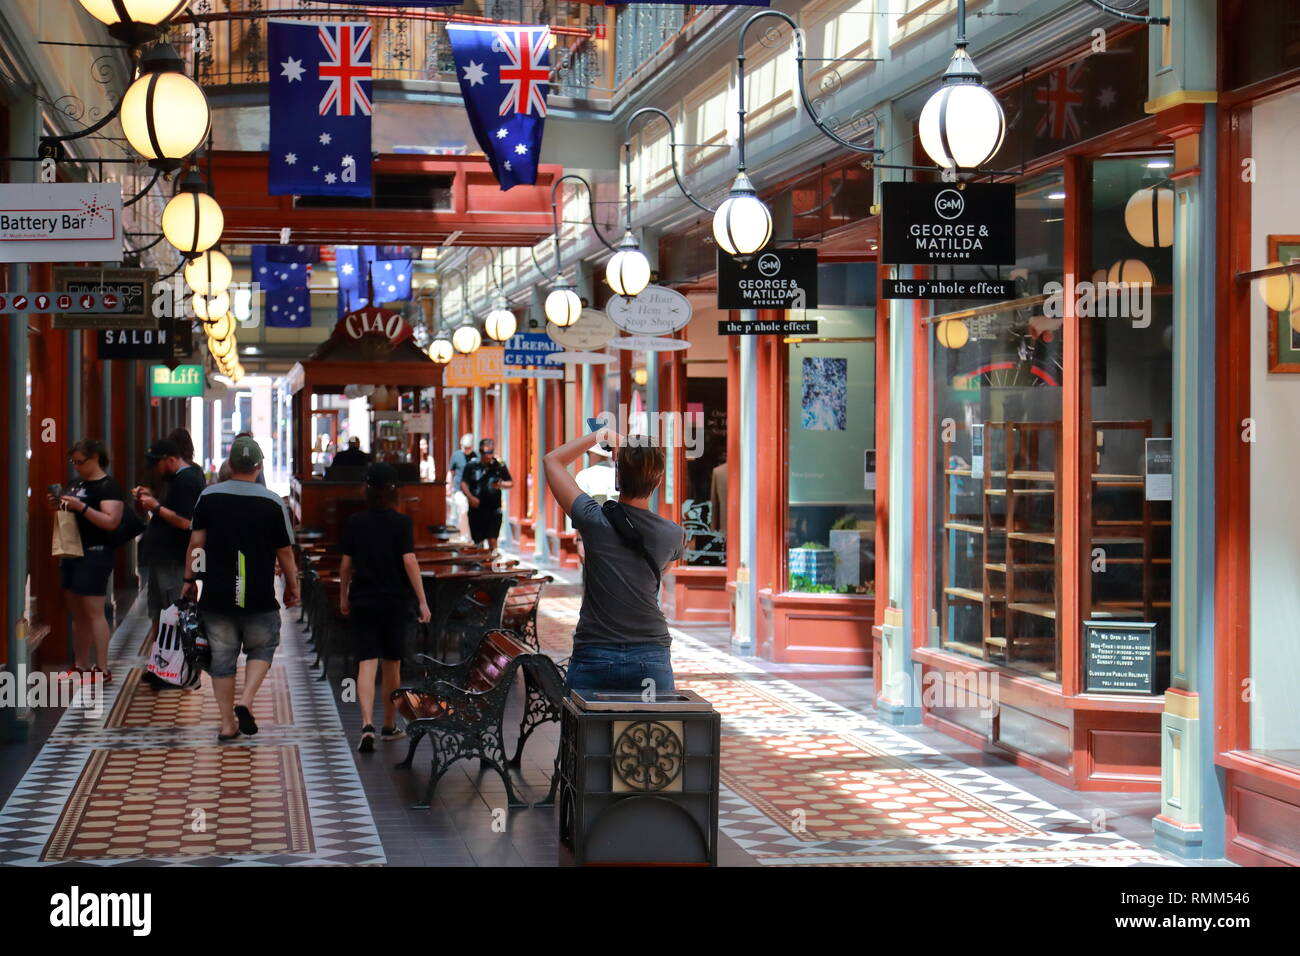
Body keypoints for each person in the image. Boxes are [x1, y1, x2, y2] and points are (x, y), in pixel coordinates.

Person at [543, 428, 685, 698]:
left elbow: (552, 460)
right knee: (651, 738)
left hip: (595, 651)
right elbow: (661, 572)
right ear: (658, 481)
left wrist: (601, 435)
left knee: (583, 739)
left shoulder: (593, 520)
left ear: (617, 477)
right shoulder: (673, 534)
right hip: (650, 652)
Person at [182, 436, 299, 742]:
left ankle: (225, 724)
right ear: (259, 466)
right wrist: (292, 586)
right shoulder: (273, 502)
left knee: (222, 657)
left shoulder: (208, 497)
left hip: (218, 594)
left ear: (230, 465)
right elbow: (285, 552)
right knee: (262, 647)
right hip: (258, 592)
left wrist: (189, 580)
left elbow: (196, 544)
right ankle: (245, 701)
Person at [339, 462, 431, 752]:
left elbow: (345, 564)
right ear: (394, 491)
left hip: (363, 599)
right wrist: (422, 600)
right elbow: (409, 561)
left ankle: (367, 724)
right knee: (392, 663)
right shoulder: (401, 523)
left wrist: (343, 595)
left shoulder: (355, 522)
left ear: (367, 489)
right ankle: (389, 725)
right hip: (394, 601)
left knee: (366, 663)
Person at [48, 439, 126, 684]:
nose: (77, 467)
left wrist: (81, 507)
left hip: (95, 552)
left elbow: (110, 521)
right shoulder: (76, 483)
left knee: (94, 612)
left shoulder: (108, 487)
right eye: (74, 462)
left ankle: (102, 668)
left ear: (95, 458)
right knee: (78, 613)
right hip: (72, 551)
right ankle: (80, 665)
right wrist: (58, 504)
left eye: (80, 462)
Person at [134, 438, 206, 653]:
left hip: (174, 557)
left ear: (172, 459)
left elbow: (186, 522)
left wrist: (155, 507)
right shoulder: (175, 480)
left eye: (158, 464)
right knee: (159, 610)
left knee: (173, 610)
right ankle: (160, 662)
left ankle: (175, 665)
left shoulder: (187, 481)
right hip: (163, 557)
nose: (156, 469)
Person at [461, 438, 513, 549]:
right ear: (480, 452)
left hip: (494, 509)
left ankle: (492, 564)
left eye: (491, 452)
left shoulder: (499, 465)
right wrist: (470, 498)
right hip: (477, 509)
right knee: (478, 541)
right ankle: (480, 564)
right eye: (486, 452)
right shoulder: (471, 465)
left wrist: (500, 484)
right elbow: (464, 483)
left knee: (493, 540)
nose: (489, 455)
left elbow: (510, 482)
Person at [446, 433, 475, 533]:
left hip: (472, 490)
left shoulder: (476, 457)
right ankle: (464, 534)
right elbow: (451, 472)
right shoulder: (457, 455)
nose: (465, 450)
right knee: (463, 511)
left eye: (468, 448)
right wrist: (448, 487)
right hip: (459, 489)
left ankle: (470, 535)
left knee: (470, 513)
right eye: (463, 447)